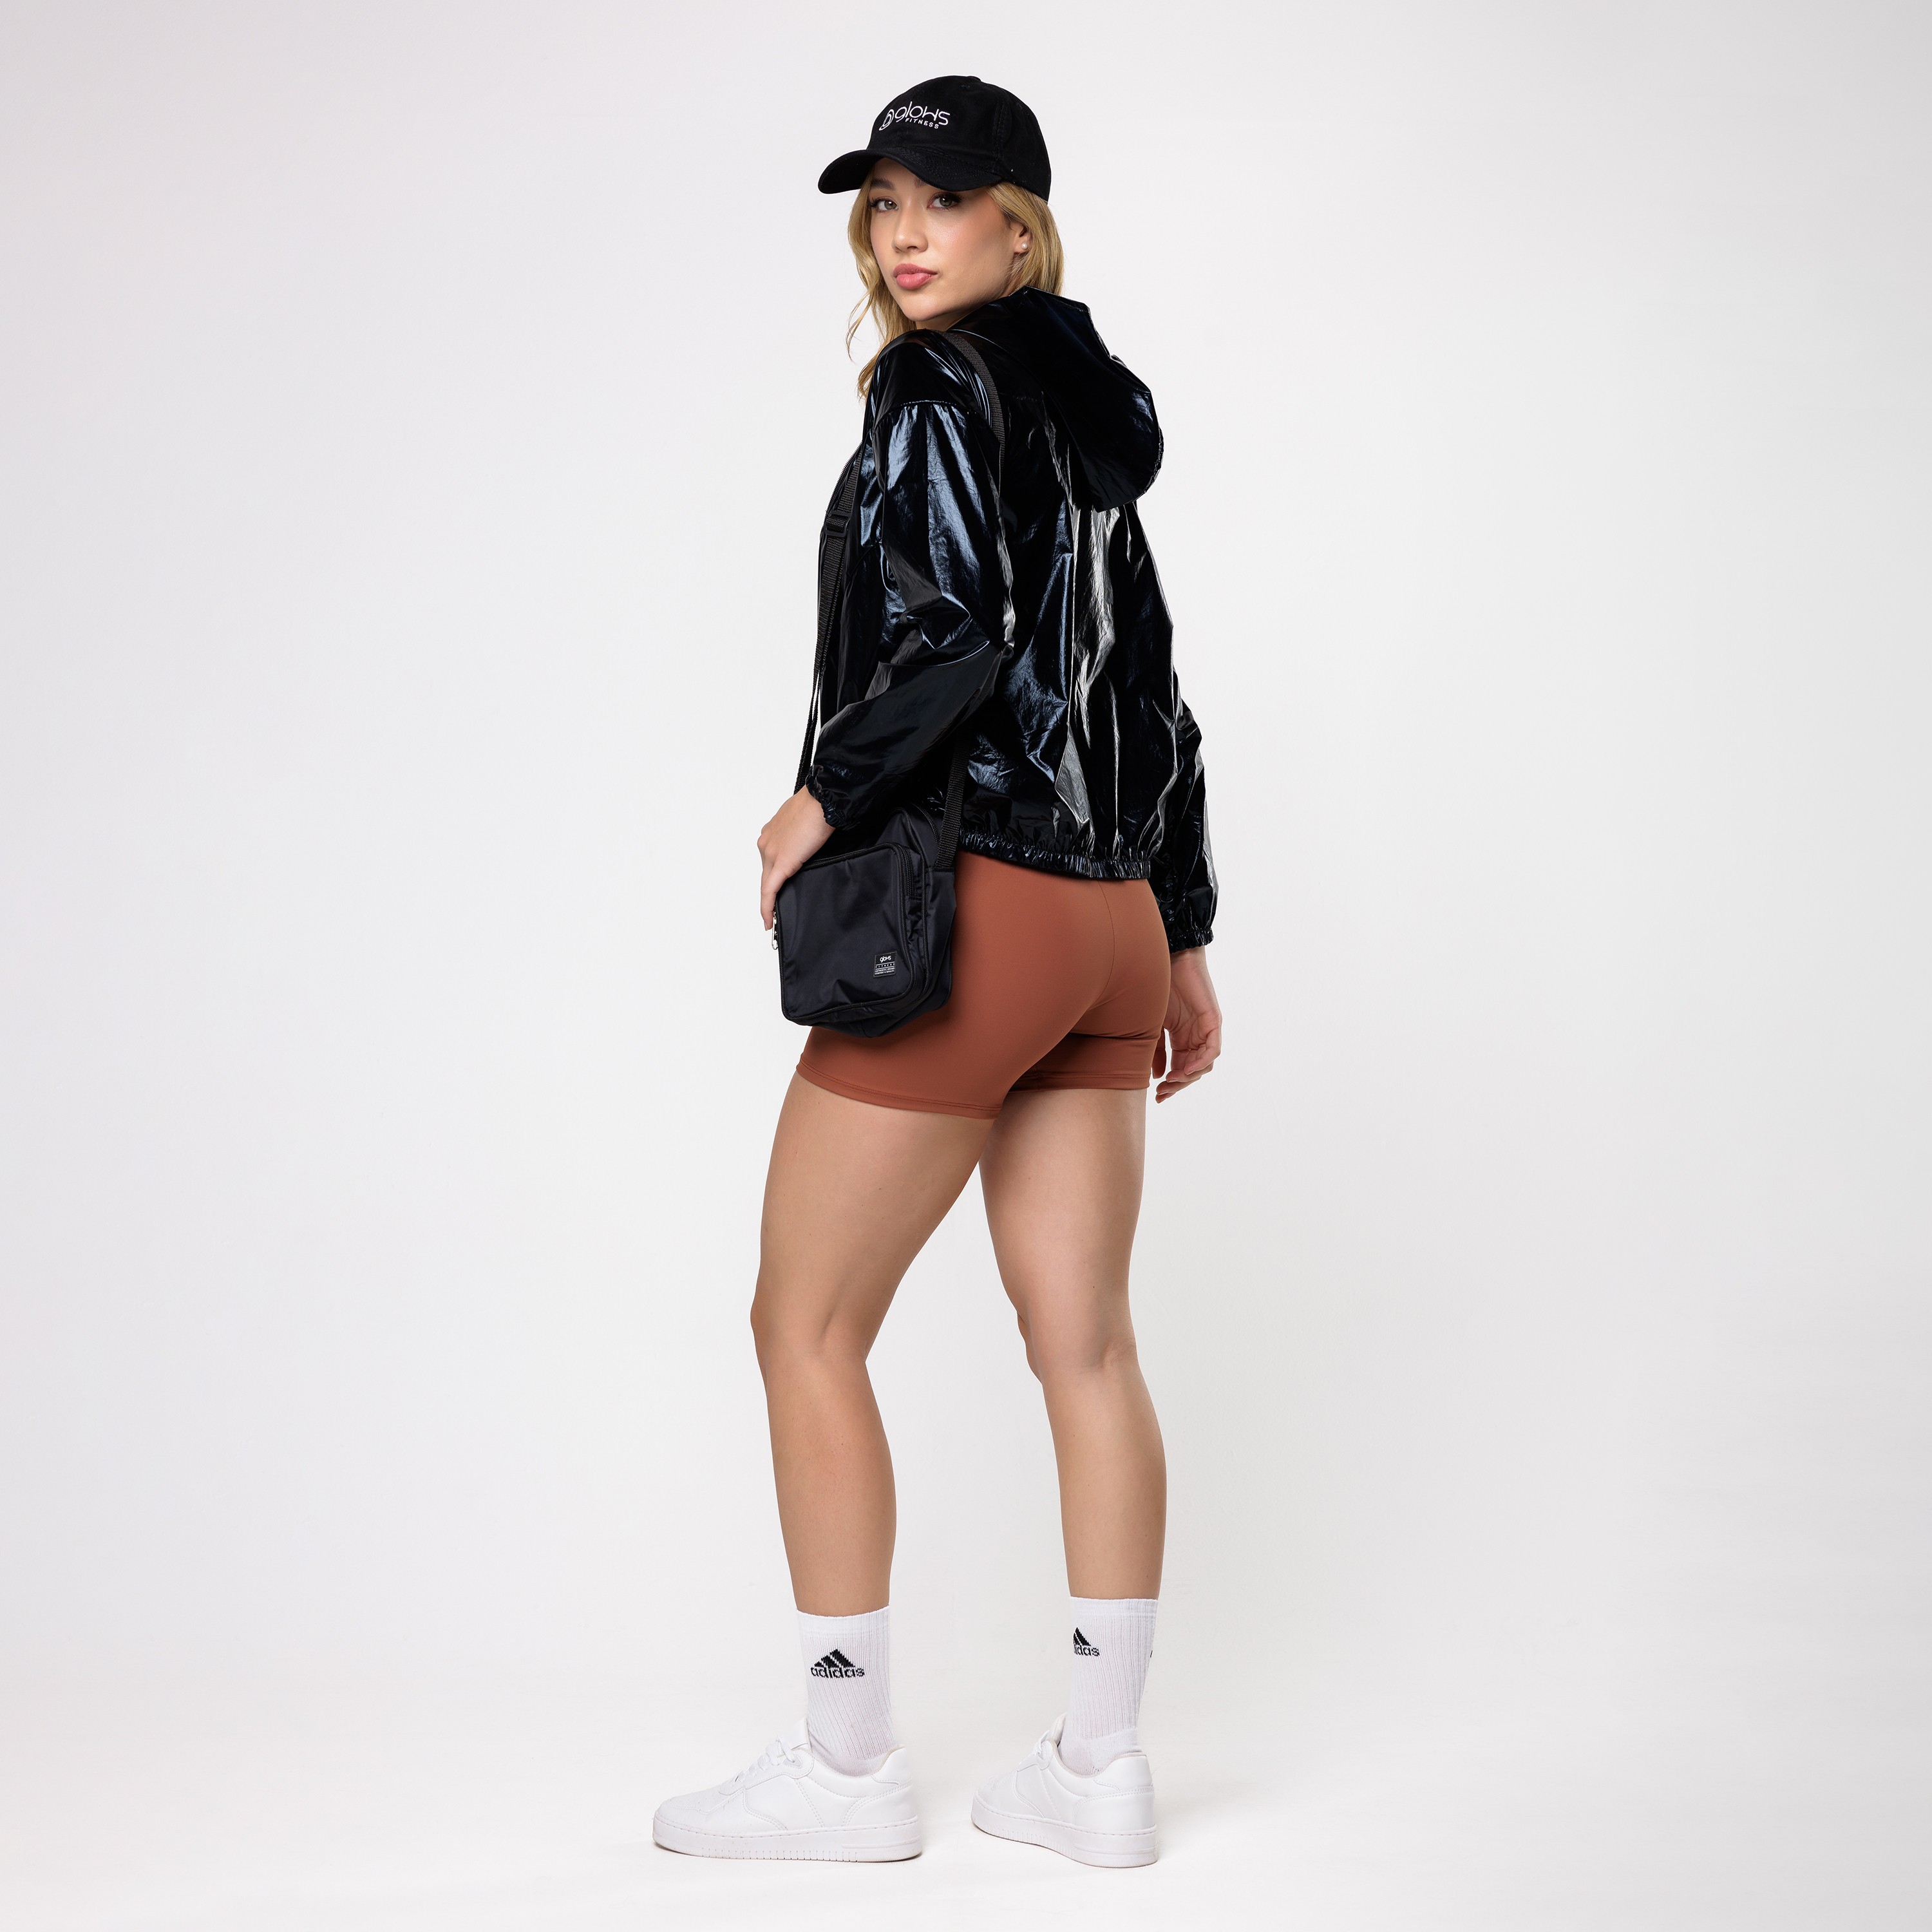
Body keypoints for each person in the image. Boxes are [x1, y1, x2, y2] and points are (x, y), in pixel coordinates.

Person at [652, 75, 1220, 1870]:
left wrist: (818, 799)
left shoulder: (934, 388)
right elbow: (1153, 687)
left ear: (1019, 227)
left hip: (983, 905)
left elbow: (953, 638)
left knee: (804, 1324)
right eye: (885, 202)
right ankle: (1099, 1773)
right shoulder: (1091, 418)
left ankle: (843, 1774)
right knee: (1090, 1343)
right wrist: (1181, 932)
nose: (906, 235)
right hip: (1108, 921)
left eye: (945, 201)